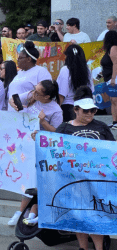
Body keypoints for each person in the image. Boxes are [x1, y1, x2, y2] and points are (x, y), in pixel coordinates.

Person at [55, 86, 114, 250]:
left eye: (93, 111)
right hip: (74, 181)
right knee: (80, 216)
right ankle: (83, 248)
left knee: (96, 216)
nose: (89, 114)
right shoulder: (64, 128)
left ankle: (99, 248)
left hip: (98, 179)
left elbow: (112, 150)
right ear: (75, 109)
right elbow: (53, 149)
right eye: (86, 111)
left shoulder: (102, 126)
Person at [8, 80, 63, 226]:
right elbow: (13, 98)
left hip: (42, 151)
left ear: (47, 97)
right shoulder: (33, 97)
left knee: (34, 181)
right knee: (27, 180)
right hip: (24, 145)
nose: (33, 93)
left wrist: (43, 122)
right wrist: (15, 105)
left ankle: (25, 213)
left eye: (37, 93)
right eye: (34, 90)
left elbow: (57, 133)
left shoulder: (56, 110)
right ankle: (24, 212)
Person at [7, 41, 52, 111]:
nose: (17, 60)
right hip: (12, 114)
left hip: (28, 114)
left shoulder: (41, 71)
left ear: (29, 59)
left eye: (20, 58)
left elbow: (45, 91)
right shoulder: (19, 73)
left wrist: (19, 99)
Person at [57, 44, 93, 122]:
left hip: (69, 108)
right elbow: (91, 91)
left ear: (68, 57)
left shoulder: (65, 70)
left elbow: (62, 94)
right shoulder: (87, 70)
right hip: (85, 107)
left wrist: (56, 110)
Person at [101, 30, 117, 129]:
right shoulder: (108, 50)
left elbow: (116, 64)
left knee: (115, 100)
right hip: (107, 77)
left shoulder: (113, 48)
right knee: (112, 100)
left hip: (113, 78)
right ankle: (114, 121)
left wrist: (113, 78)